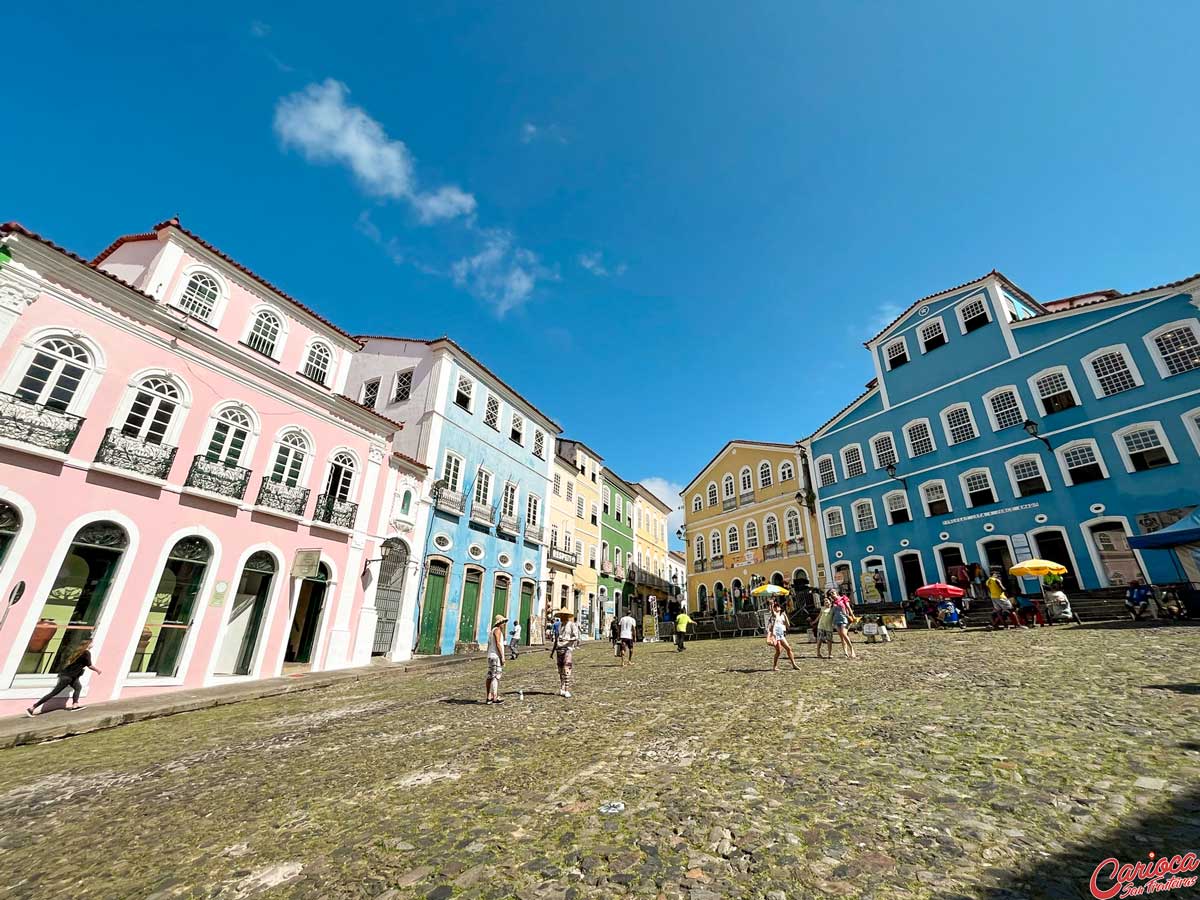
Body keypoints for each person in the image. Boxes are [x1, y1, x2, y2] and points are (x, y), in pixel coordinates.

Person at [27, 640, 101, 716]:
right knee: (53, 693)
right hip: (68, 677)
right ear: (88, 644)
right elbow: (89, 665)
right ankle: (32, 708)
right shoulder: (86, 653)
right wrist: (98, 670)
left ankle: (75, 705)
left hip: (70, 676)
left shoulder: (79, 652)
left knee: (78, 687)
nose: (93, 644)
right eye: (91, 643)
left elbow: (73, 663)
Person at [550, 608, 581, 698]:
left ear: (567, 616)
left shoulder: (572, 625)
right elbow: (557, 638)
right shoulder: (559, 626)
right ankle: (562, 688)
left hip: (567, 648)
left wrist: (567, 639)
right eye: (561, 616)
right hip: (559, 649)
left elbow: (576, 637)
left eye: (564, 615)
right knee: (560, 670)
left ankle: (567, 689)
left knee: (567, 669)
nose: (562, 617)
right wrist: (552, 651)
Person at [767, 601, 801, 671]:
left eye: (777, 606)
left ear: (780, 608)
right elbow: (773, 613)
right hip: (775, 635)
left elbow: (788, 625)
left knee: (788, 648)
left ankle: (794, 664)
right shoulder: (775, 615)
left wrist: (785, 616)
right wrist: (771, 604)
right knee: (778, 651)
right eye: (775, 607)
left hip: (781, 634)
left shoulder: (782, 615)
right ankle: (775, 666)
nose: (776, 608)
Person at [830, 588, 858, 659]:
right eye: (830, 593)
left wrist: (853, 616)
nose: (832, 594)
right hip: (836, 620)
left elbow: (848, 608)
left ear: (836, 592)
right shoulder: (833, 602)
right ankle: (845, 652)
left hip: (844, 618)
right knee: (841, 637)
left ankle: (852, 650)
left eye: (833, 592)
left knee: (844, 634)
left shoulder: (843, 598)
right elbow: (832, 613)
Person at [485, 614, 506, 704]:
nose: (504, 624)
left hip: (490, 655)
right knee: (496, 676)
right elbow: (498, 644)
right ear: (500, 623)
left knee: (490, 676)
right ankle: (495, 697)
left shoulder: (492, 631)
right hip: (496, 656)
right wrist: (502, 656)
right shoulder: (497, 630)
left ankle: (489, 696)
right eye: (503, 622)